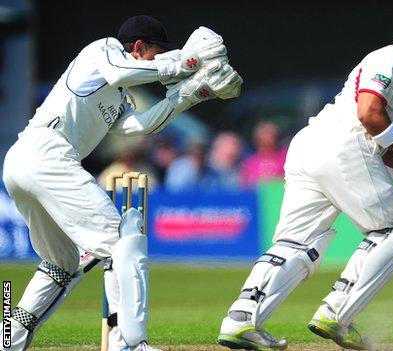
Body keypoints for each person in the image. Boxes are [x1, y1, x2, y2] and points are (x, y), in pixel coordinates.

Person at [218, 2, 393, 350]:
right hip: (342, 142)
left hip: (314, 147)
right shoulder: (388, 59)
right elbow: (369, 114)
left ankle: (240, 321)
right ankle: (337, 314)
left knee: (296, 244)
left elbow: (383, 145)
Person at [2, 15, 242, 351]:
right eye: (158, 53)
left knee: (62, 264)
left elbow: (141, 126)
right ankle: (127, 343)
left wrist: (191, 93)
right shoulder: (103, 51)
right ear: (140, 47)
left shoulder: (119, 95)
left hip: (27, 163)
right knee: (122, 243)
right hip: (47, 153)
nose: (161, 61)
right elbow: (121, 71)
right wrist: (185, 63)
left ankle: (7, 338)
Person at [240, 121, 287, 188]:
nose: (268, 139)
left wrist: (272, 182)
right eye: (265, 134)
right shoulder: (250, 162)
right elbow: (245, 184)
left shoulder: (286, 157)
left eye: (271, 135)